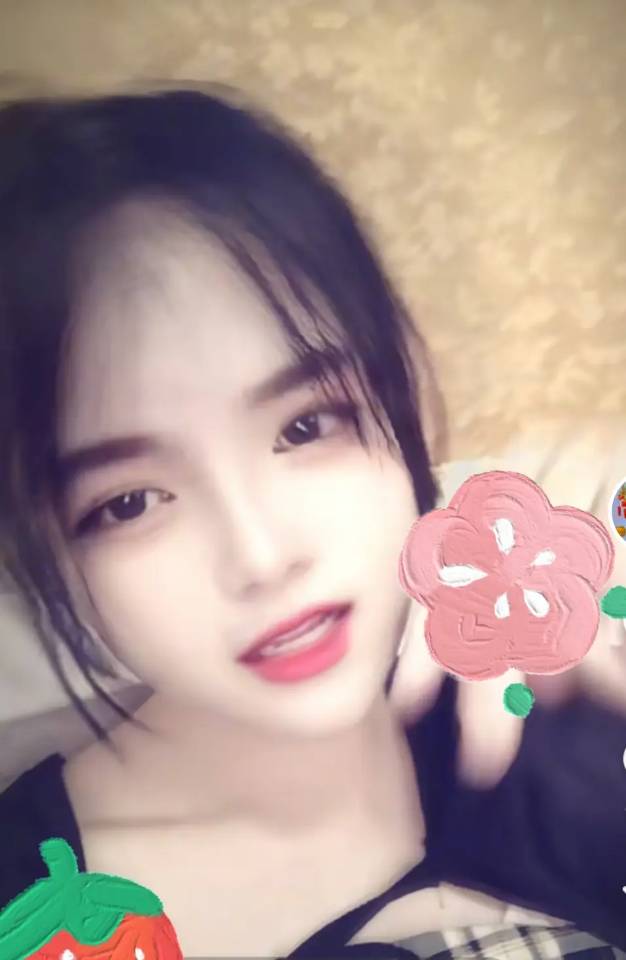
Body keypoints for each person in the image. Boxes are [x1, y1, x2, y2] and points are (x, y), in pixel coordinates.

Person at [0, 87, 624, 959]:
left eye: (305, 425)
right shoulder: (30, 906)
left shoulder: (559, 711)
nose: (263, 556)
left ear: (397, 383)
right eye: (128, 503)